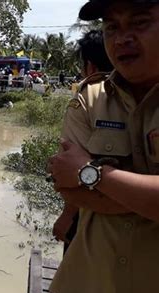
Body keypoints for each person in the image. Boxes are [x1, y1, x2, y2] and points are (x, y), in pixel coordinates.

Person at [46, 1, 159, 293]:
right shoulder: (89, 100)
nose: (122, 38)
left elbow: (78, 179)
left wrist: (89, 172)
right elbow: (69, 189)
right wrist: (147, 197)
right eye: (112, 27)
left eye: (139, 22)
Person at [53, 29, 114, 253]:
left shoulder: (87, 98)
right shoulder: (141, 95)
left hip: (87, 216)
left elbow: (71, 170)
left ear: (89, 66)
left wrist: (67, 215)